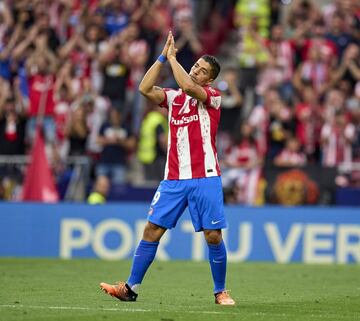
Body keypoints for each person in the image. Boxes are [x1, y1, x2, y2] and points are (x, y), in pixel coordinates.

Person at [100, 31, 235, 306]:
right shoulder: (174, 98)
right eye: (196, 65)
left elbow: (188, 86)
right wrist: (163, 57)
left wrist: (174, 59)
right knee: (151, 231)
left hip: (205, 176)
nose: (196, 71)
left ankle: (220, 291)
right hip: (173, 179)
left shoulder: (213, 97)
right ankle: (130, 288)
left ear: (209, 79)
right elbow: (144, 89)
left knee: (212, 236)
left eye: (202, 70)